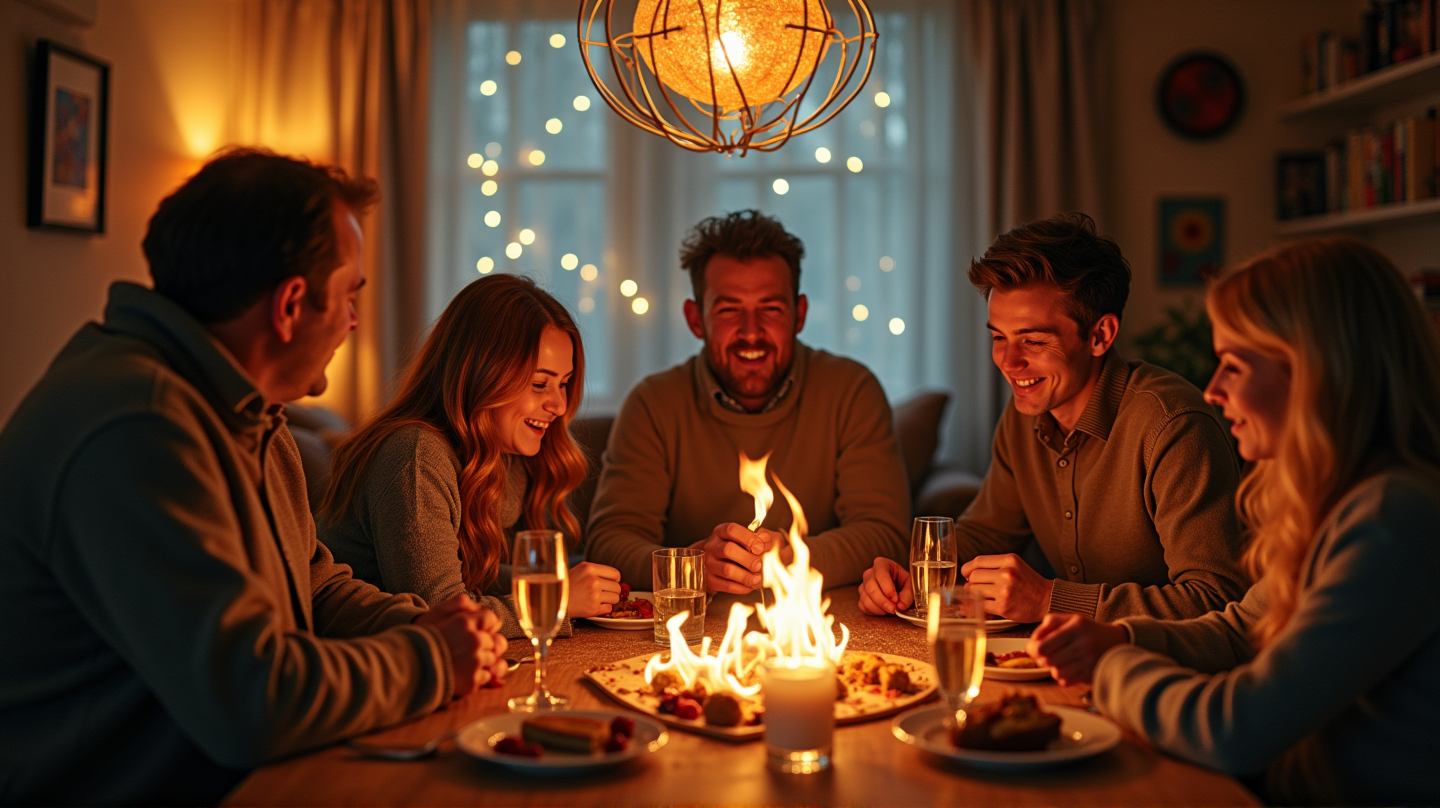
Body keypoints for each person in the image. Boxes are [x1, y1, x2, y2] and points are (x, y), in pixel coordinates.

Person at [0, 149, 507, 806]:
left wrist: (436, 625)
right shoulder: (139, 427)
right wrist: (434, 659)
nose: (354, 321)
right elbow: (251, 700)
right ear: (291, 304)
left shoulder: (249, 413)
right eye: (350, 296)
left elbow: (313, 588)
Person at [1025, 237, 1440, 805]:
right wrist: (1122, 636)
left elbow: (1234, 729)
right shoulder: (1338, 501)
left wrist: (1111, 665)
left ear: (1317, 373)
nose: (1214, 390)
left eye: (1235, 366)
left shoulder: (1393, 519)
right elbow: (1240, 629)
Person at [860, 213, 1248, 621]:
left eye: (1033, 340)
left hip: (1162, 660)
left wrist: (1049, 600)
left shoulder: (1174, 426)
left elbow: (1215, 598)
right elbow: (989, 531)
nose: (1008, 362)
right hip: (1067, 652)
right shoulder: (1025, 414)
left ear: (1100, 335)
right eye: (998, 337)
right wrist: (916, 575)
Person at [586, 210, 910, 592]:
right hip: (692, 625)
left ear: (799, 314)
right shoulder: (653, 404)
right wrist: (691, 566)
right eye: (728, 310)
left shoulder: (851, 392)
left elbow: (886, 535)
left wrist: (791, 558)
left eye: (770, 309)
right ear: (696, 319)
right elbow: (607, 544)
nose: (751, 332)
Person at [320, 273, 622, 636]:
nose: (559, 405)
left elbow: (479, 576)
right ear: (482, 374)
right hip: (369, 657)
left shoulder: (505, 453)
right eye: (539, 383)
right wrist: (554, 599)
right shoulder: (414, 456)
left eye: (564, 383)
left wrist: (576, 582)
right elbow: (442, 614)